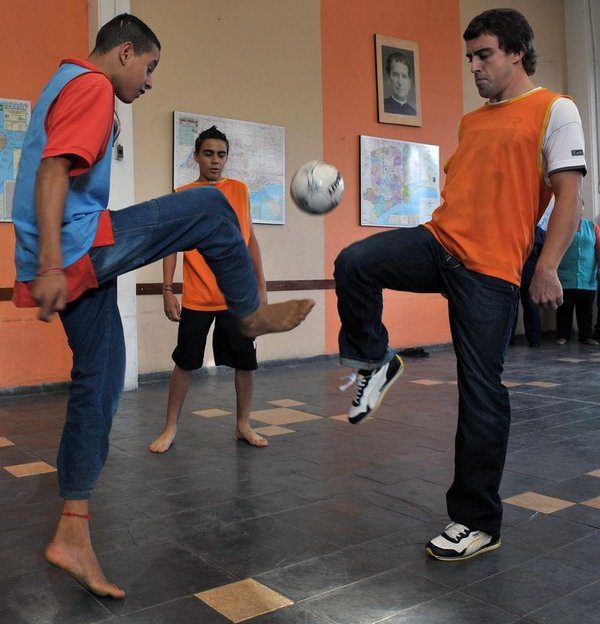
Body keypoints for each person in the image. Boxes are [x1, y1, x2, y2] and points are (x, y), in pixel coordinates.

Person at [11, 14, 313, 598]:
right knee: (212, 210)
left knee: (98, 385)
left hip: (65, 255)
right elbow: (53, 169)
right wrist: (52, 263)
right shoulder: (94, 86)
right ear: (126, 53)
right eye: (149, 68)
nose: (149, 82)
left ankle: (71, 531)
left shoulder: (61, 81)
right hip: (75, 248)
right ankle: (247, 315)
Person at [334, 8, 585, 561]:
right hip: (439, 242)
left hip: (491, 271)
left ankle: (477, 522)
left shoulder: (555, 109)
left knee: (481, 393)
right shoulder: (474, 121)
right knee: (355, 262)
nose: (474, 66)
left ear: (517, 51)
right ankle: (376, 360)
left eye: (484, 54)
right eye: (469, 56)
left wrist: (548, 267)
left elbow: (568, 196)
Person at [149, 126, 268, 452]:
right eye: (208, 154)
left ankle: (243, 423)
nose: (215, 161)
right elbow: (170, 245)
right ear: (197, 156)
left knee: (246, 362)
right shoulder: (183, 193)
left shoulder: (240, 190)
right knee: (185, 362)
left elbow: (250, 238)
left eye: (221, 154)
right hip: (199, 297)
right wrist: (168, 289)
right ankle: (170, 426)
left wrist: (261, 284)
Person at [555, 218, 600, 346]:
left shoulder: (593, 227)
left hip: (588, 277)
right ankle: (563, 335)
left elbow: (599, 248)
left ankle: (586, 336)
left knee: (586, 310)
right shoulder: (561, 225)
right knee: (564, 308)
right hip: (565, 276)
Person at [509, 225, 546, 347]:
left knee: (531, 308)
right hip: (512, 274)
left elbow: (543, 257)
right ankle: (508, 340)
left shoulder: (540, 233)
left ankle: (534, 340)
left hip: (531, 277)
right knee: (510, 309)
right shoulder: (514, 229)